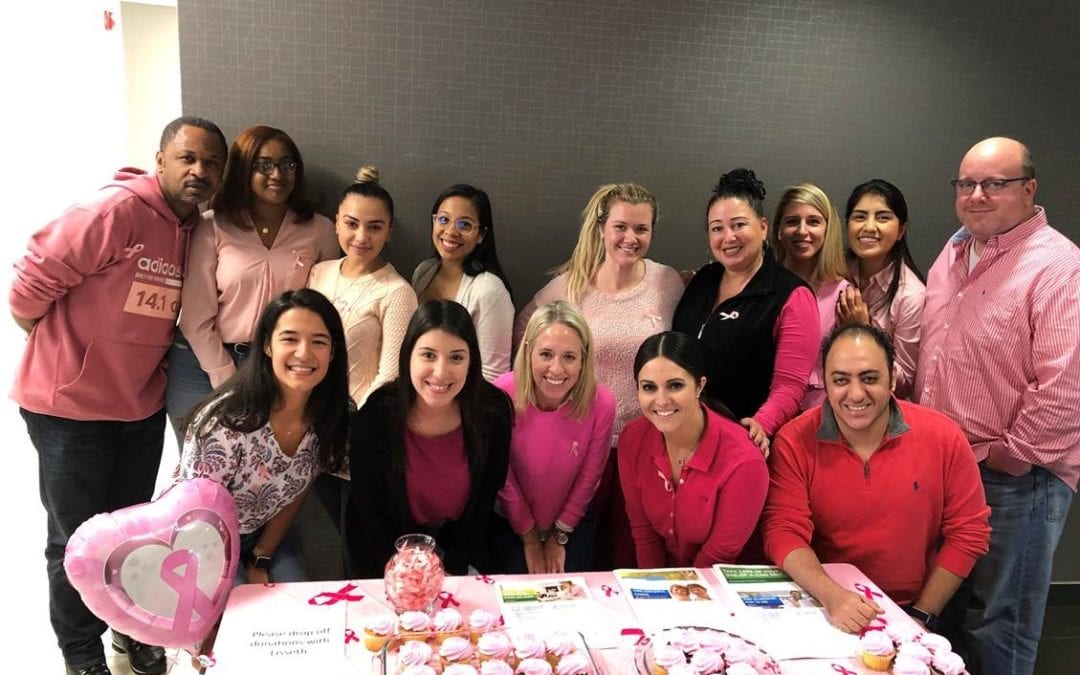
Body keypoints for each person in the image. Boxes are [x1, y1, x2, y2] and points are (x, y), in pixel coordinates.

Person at [11, 116, 227, 675]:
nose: (199, 171)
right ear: (160, 161)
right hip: (69, 411)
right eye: (187, 158)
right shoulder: (115, 211)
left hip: (138, 408)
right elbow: (26, 286)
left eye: (210, 163)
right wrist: (61, 345)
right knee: (76, 542)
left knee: (136, 536)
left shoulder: (194, 229)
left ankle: (132, 635)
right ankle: (81, 658)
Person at [917, 137, 1080, 675]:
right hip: (947, 468)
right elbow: (933, 351)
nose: (977, 195)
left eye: (995, 183)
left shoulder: (1059, 266)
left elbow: (1066, 389)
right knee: (950, 610)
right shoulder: (956, 250)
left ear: (1029, 189)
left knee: (999, 620)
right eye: (966, 184)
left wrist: (1003, 457)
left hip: (1015, 478)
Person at [763, 324, 991, 634]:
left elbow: (969, 532)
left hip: (913, 605)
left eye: (869, 378)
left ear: (892, 379)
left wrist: (922, 615)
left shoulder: (944, 436)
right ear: (825, 384)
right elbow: (783, 531)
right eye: (840, 380)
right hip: (823, 599)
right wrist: (831, 596)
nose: (855, 394)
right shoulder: (794, 439)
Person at [517, 183, 685, 569]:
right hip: (582, 442)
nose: (631, 238)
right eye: (621, 227)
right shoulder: (568, 286)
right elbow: (525, 338)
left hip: (646, 440)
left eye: (641, 229)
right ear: (601, 229)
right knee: (583, 552)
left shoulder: (667, 283)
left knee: (631, 549)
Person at [166, 125, 338, 443]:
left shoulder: (320, 229)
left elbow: (324, 311)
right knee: (201, 477)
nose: (277, 174)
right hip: (202, 364)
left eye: (287, 164)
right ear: (244, 169)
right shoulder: (213, 225)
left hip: (278, 365)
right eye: (263, 165)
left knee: (261, 469)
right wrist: (227, 377)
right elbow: (194, 317)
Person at [175, 288, 350, 583]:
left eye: (318, 342)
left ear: (332, 352)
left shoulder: (330, 415)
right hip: (199, 543)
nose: (304, 353)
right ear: (267, 345)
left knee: (294, 611)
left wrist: (261, 557)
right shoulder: (224, 422)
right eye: (290, 339)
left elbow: (298, 488)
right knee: (237, 622)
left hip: (265, 533)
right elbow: (196, 517)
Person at [345, 300, 513, 577]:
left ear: (472, 361)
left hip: (461, 546)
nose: (441, 372)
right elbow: (369, 509)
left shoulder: (492, 411)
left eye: (456, 357)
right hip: (384, 553)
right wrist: (407, 571)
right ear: (408, 355)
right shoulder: (376, 416)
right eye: (428, 355)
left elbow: (486, 496)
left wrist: (453, 566)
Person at [306, 166, 418, 571]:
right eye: (352, 224)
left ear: (389, 231)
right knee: (338, 533)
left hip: (360, 438)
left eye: (375, 227)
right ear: (336, 222)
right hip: (310, 429)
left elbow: (390, 377)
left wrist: (348, 425)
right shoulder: (317, 274)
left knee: (362, 546)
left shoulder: (397, 292)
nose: (361, 237)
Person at [673, 169, 819, 452]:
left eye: (738, 225)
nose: (728, 237)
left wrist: (759, 425)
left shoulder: (791, 295)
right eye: (717, 228)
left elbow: (789, 386)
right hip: (683, 436)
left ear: (763, 227)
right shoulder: (702, 280)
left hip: (742, 442)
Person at [619, 331, 769, 568]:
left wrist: (676, 599)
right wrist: (655, 591)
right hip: (674, 584)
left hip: (731, 585)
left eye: (675, 386)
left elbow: (719, 556)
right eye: (649, 387)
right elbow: (644, 534)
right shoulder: (632, 438)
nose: (661, 400)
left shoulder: (744, 461)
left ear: (700, 386)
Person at [489, 301, 616, 574]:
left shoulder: (601, 402)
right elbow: (502, 475)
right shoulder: (500, 394)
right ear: (528, 352)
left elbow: (590, 476)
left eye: (569, 357)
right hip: (509, 521)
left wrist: (560, 535)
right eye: (546, 354)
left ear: (583, 359)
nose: (556, 369)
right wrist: (530, 538)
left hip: (571, 520)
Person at [412, 184, 514, 381]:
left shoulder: (489, 291)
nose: (451, 231)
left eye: (464, 225)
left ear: (481, 235)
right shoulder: (423, 272)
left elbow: (492, 375)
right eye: (443, 219)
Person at [836, 179, 925, 399]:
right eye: (859, 216)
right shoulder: (834, 272)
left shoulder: (911, 295)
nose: (869, 227)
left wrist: (864, 331)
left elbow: (905, 384)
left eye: (883, 217)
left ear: (901, 230)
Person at [771, 182, 850, 409]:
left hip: (817, 413)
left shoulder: (843, 294)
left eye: (813, 221)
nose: (802, 231)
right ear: (777, 229)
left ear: (827, 229)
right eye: (792, 221)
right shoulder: (762, 285)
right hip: (761, 407)